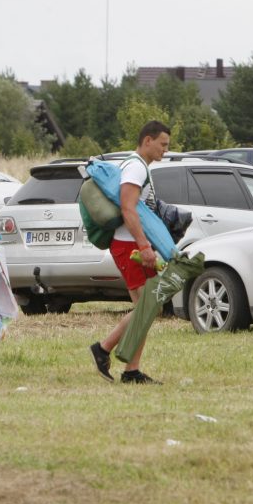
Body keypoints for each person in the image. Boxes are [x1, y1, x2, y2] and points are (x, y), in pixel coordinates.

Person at [89, 120, 171, 384]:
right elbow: (128, 208)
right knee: (145, 307)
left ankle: (130, 369)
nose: (165, 150)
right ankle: (104, 350)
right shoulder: (135, 167)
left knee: (148, 308)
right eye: (162, 144)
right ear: (148, 140)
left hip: (132, 243)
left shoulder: (137, 165)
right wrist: (144, 245)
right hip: (128, 245)